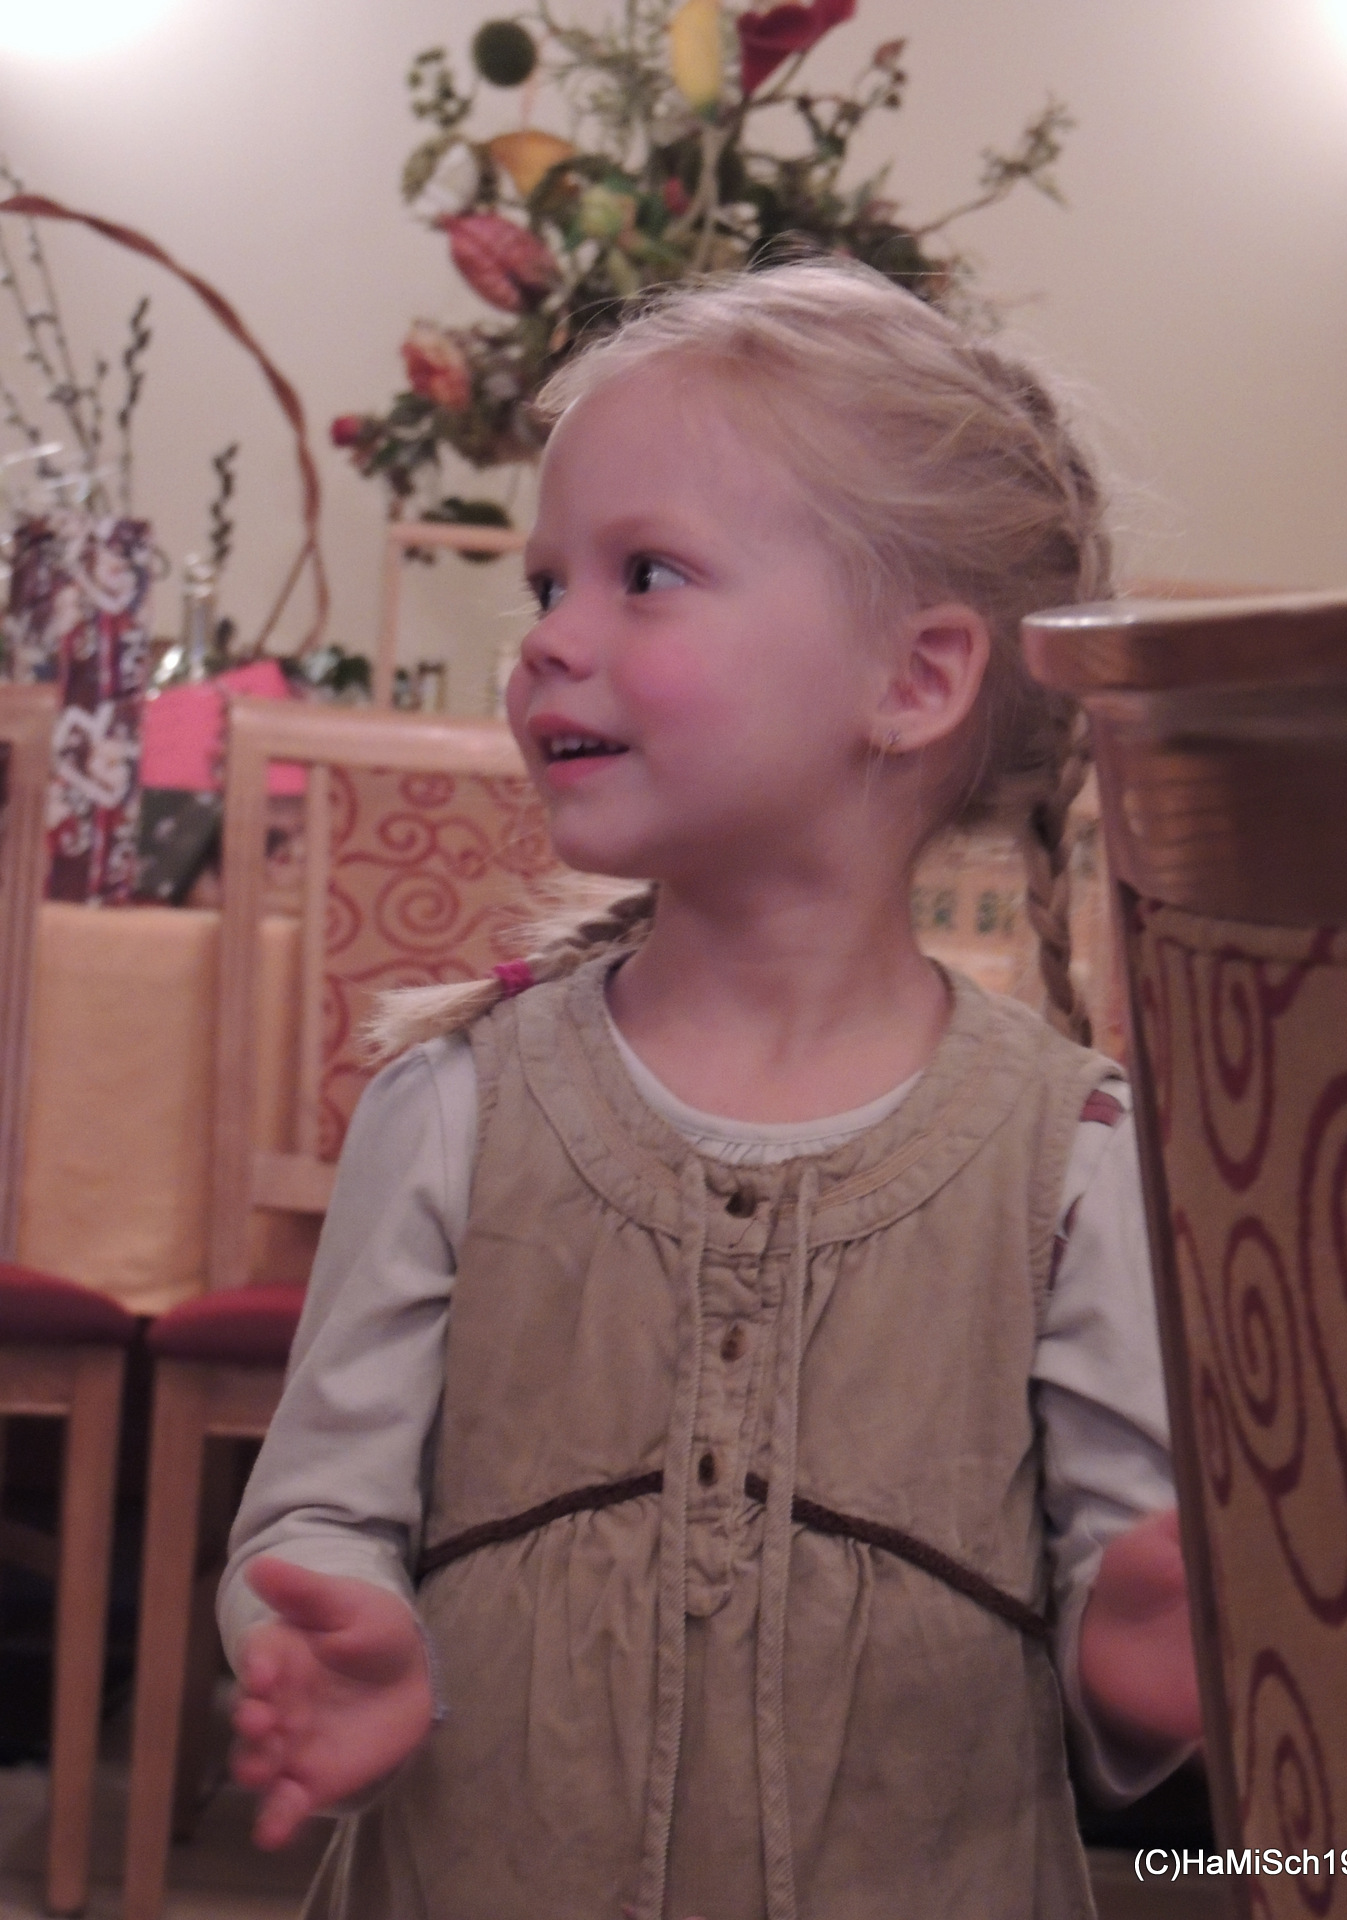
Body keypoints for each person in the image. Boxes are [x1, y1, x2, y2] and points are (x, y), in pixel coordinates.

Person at [220, 260, 1201, 1920]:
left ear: (914, 680)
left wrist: (1150, 1644)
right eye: (549, 583)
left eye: (647, 576)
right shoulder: (455, 1106)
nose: (550, 639)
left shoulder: (1074, 1157)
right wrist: (321, 1625)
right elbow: (315, 1510)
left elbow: (1128, 1617)